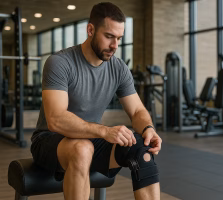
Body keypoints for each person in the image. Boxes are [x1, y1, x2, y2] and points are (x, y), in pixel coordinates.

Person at [30, 2, 162, 200]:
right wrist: (105, 131)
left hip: (91, 138)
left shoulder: (118, 69)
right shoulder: (60, 62)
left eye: (119, 38)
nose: (115, 45)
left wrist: (148, 129)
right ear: (90, 30)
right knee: (82, 148)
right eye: (109, 37)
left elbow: (136, 111)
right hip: (49, 141)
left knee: (142, 153)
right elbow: (55, 119)